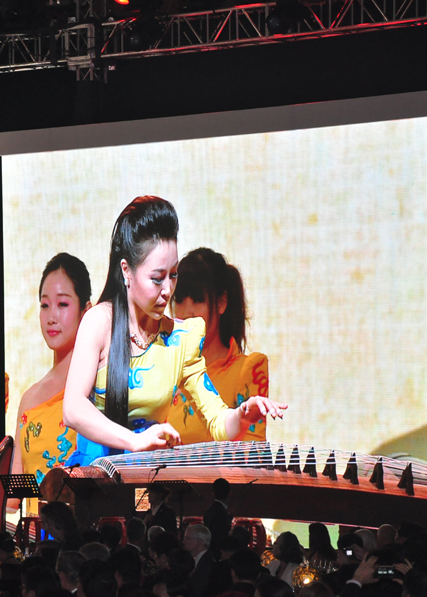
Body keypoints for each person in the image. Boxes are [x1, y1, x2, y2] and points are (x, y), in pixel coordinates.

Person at [63, 196, 286, 464]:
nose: (167, 290)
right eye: (157, 279)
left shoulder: (181, 338)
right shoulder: (99, 322)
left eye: (173, 275)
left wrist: (241, 415)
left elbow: (217, 420)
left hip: (145, 480)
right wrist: (134, 441)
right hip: (94, 479)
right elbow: (73, 409)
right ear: (127, 271)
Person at [10, 252, 92, 514]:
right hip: (35, 536)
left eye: (63, 304)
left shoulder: (98, 388)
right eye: (45, 305)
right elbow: (14, 495)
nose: (51, 317)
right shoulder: (30, 398)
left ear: (86, 311)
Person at [170, 247, 269, 443]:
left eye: (197, 300)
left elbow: (253, 453)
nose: (186, 312)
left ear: (221, 303)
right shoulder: (166, 367)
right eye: (179, 300)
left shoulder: (246, 369)